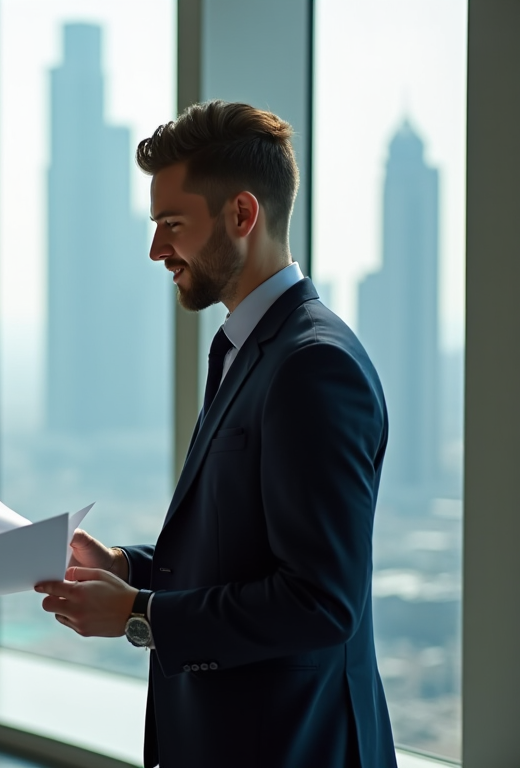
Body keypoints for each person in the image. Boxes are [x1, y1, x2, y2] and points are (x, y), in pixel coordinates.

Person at [35, 101, 397, 768]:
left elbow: (320, 600)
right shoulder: (251, 349)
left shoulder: (313, 366)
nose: (155, 249)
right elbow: (248, 552)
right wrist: (128, 567)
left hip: (291, 747)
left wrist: (141, 612)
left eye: (172, 225)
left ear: (241, 215)